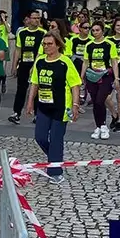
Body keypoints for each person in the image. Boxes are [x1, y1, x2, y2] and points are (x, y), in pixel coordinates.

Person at [25, 32, 81, 184]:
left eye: (50, 44)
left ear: (58, 45)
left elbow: (75, 86)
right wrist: (30, 102)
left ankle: (55, 171)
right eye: (44, 44)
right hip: (43, 106)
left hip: (61, 107)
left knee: (56, 139)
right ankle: (55, 159)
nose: (46, 46)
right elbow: (34, 83)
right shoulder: (40, 61)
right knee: (40, 137)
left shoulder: (65, 62)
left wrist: (75, 105)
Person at [80, 22, 119, 140]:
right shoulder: (89, 45)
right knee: (95, 102)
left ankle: (103, 126)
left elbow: (114, 61)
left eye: (97, 30)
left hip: (106, 76)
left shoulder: (109, 44)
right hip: (92, 76)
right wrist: (81, 77)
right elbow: (86, 61)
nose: (95, 32)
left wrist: (117, 78)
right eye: (93, 30)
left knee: (99, 100)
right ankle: (99, 126)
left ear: (102, 31)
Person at [8, 10, 45, 124]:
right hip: (24, 63)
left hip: (38, 64)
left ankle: (37, 114)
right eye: (34, 18)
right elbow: (18, 50)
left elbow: (43, 51)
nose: (36, 20)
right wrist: (14, 65)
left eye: (38, 18)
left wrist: (35, 66)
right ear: (28, 19)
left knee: (37, 90)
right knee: (21, 89)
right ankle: (16, 113)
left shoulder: (43, 33)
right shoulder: (22, 33)